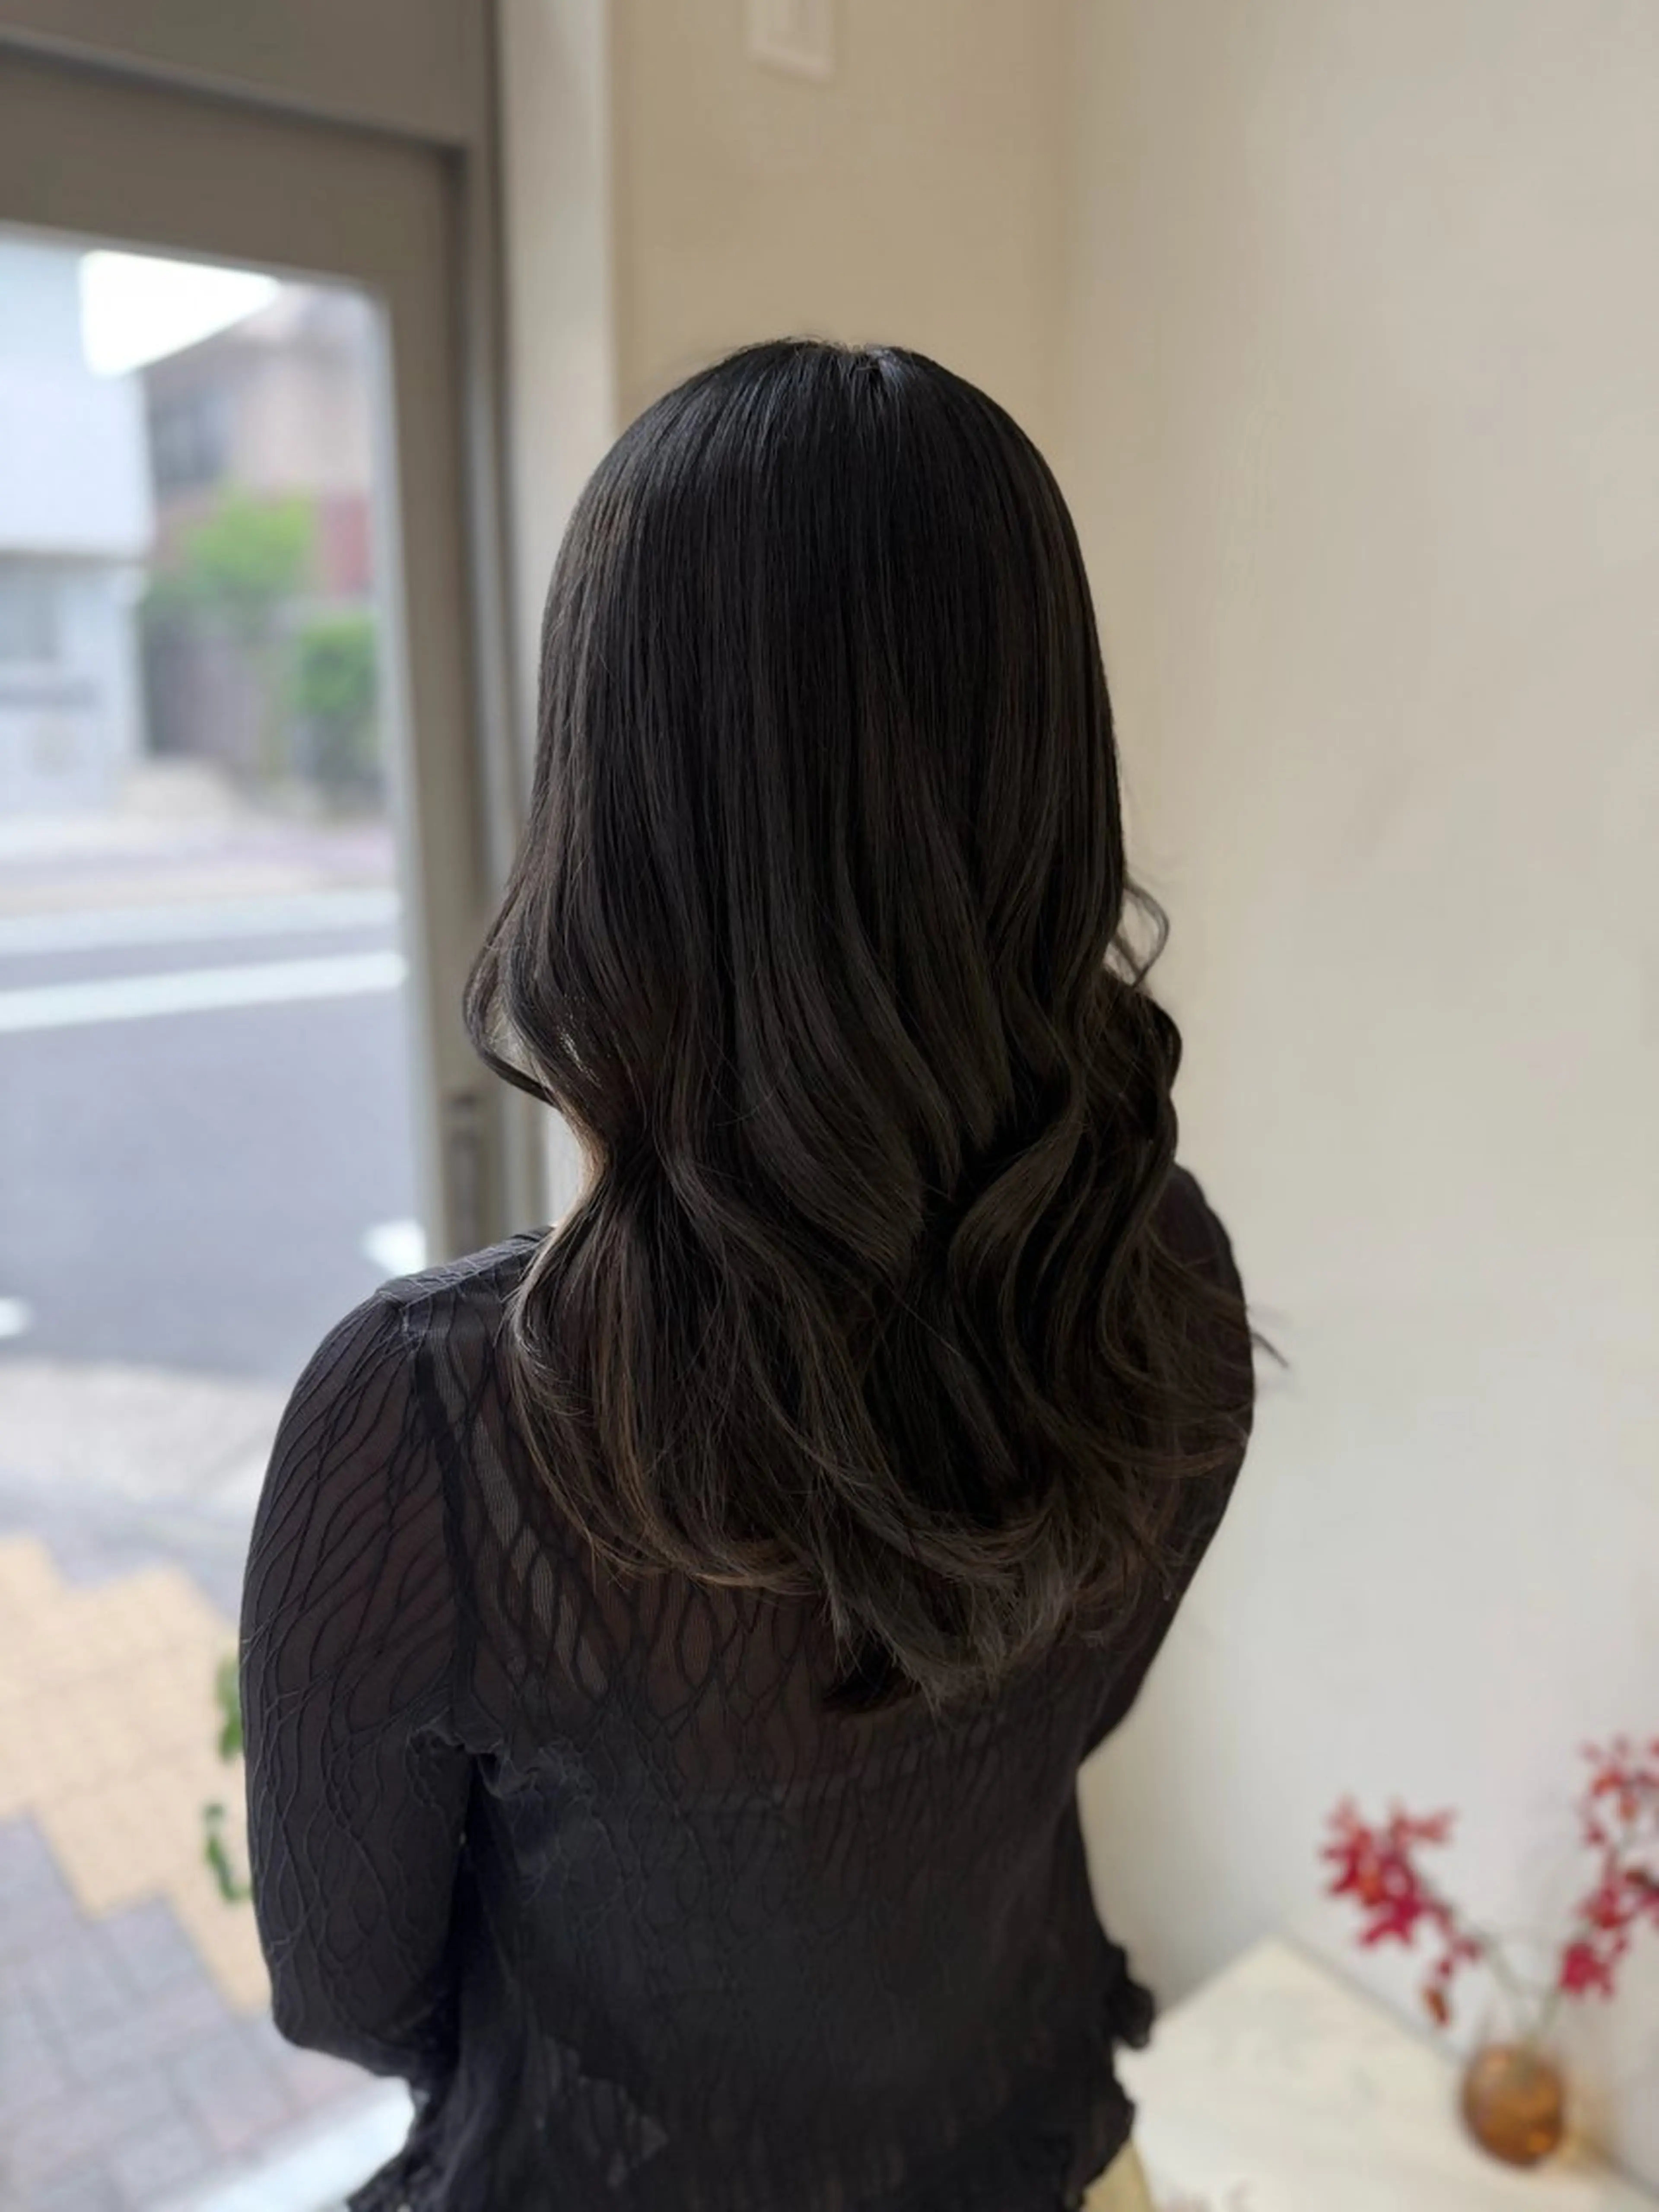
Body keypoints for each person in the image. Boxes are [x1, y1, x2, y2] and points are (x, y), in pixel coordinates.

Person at [238, 337, 1256, 2212]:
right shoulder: (1161, 1277)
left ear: (613, 828)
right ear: (1047, 784)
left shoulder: (432, 1428)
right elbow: (1065, 1721)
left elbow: (349, 1989)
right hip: (1028, 2147)